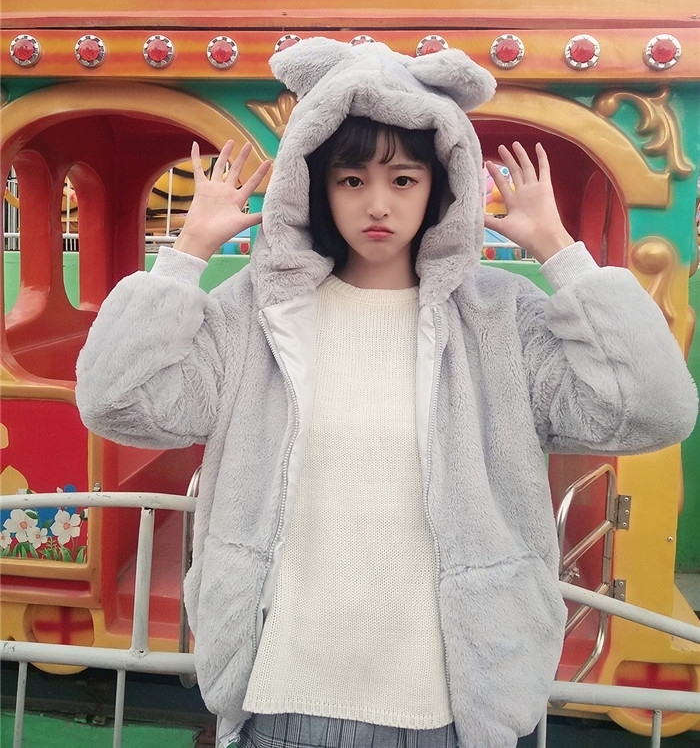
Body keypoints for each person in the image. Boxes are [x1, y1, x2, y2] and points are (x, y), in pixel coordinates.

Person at [75, 38, 697, 748]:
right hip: (283, 697)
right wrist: (184, 256)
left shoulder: (498, 318)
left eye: (404, 179)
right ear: (315, 185)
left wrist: (562, 254)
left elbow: (654, 407)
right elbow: (116, 399)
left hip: (454, 709)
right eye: (351, 179)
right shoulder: (256, 314)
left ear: (441, 184)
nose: (378, 204)